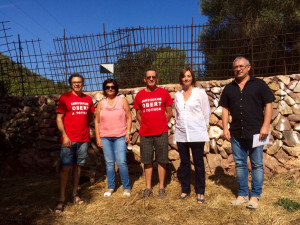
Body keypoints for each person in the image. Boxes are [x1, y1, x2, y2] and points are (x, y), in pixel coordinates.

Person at [219, 56, 274, 209]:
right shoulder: (229, 88)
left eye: (241, 66)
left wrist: (265, 126)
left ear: (249, 67)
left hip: (258, 132)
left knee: (257, 164)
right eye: (236, 67)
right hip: (236, 133)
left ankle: (255, 196)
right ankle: (242, 194)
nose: (238, 69)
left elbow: (268, 104)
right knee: (240, 164)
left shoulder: (259, 84)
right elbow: (225, 109)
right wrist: (225, 128)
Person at [55, 73, 95, 213]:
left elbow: (90, 116)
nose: (77, 84)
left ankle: (75, 194)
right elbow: (59, 118)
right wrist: (65, 136)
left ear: (83, 83)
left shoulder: (88, 99)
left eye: (79, 82)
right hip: (68, 140)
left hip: (83, 139)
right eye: (74, 82)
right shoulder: (65, 98)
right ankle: (61, 198)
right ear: (70, 84)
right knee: (65, 168)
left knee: (78, 167)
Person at [133, 69, 173, 198]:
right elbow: (138, 114)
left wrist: (162, 125)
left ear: (157, 79)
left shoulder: (163, 93)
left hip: (162, 132)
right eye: (148, 77)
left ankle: (161, 188)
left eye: (153, 77)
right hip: (145, 133)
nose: (151, 79)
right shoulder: (139, 95)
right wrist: (144, 124)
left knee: (162, 160)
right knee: (147, 161)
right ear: (144, 79)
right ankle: (148, 188)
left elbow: (169, 113)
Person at [174, 68, 210, 204]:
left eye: (188, 76)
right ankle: (185, 189)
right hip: (182, 133)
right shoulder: (178, 95)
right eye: (183, 76)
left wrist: (203, 128)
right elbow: (177, 113)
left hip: (196, 132)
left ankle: (200, 191)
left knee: (198, 163)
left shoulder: (200, 93)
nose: (186, 78)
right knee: (184, 163)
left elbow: (206, 112)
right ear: (181, 79)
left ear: (192, 78)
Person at [95, 79, 131, 197]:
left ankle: (126, 187)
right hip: (105, 137)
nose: (110, 89)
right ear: (104, 89)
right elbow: (97, 122)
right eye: (107, 87)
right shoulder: (101, 103)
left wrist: (128, 132)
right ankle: (111, 187)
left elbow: (129, 117)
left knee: (121, 162)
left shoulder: (122, 101)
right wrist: (98, 138)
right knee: (109, 163)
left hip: (120, 136)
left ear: (116, 88)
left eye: (112, 87)